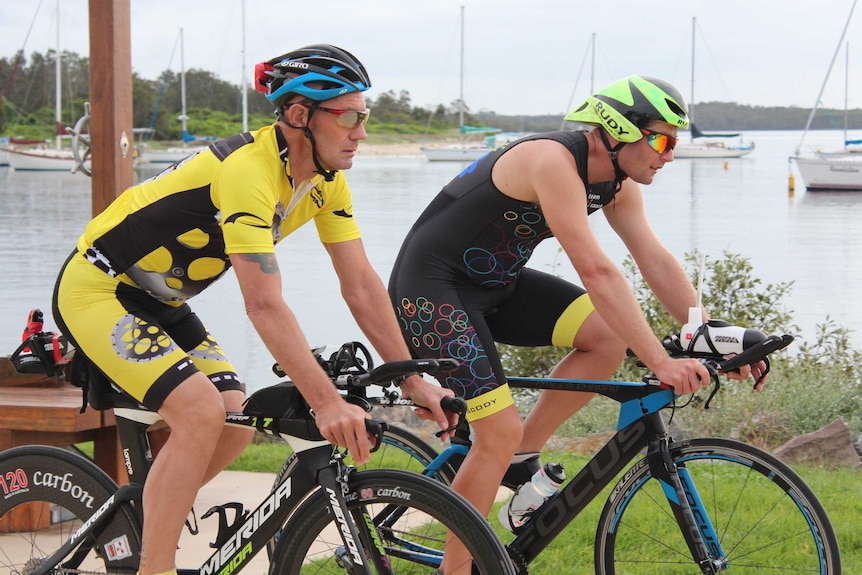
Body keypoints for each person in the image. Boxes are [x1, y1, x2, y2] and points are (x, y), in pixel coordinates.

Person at [52, 44, 455, 575]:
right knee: (198, 413)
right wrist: (325, 402)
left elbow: (359, 285)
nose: (361, 131)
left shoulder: (325, 183)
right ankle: (155, 566)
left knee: (236, 420)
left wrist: (414, 380)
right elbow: (262, 303)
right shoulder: (249, 172)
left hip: (159, 302)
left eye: (365, 116)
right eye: (350, 116)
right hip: (98, 288)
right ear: (298, 116)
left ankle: (152, 517)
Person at [388, 75, 766, 574]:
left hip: (496, 284)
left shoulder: (616, 183)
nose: (670, 154)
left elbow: (653, 258)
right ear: (617, 130)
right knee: (493, 433)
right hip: (432, 290)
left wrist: (702, 334)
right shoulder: (552, 160)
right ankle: (456, 570)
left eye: (675, 142)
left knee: (604, 337)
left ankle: (522, 453)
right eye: (661, 139)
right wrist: (659, 360)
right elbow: (596, 269)